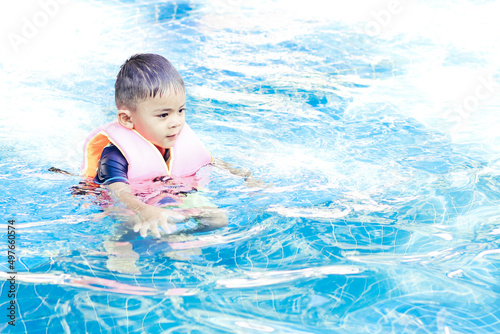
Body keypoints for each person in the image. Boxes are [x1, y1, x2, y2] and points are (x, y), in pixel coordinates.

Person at [81, 53, 255, 239]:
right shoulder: (115, 154)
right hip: (132, 202)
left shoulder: (177, 139)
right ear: (127, 119)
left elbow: (210, 161)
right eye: (164, 115)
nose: (176, 122)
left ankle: (176, 236)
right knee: (133, 223)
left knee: (218, 219)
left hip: (171, 190)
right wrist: (145, 210)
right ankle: (117, 246)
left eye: (180, 111)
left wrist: (245, 176)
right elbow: (119, 192)